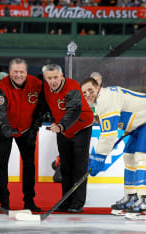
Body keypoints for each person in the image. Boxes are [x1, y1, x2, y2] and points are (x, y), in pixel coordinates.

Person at [82, 77, 146, 220]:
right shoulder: (104, 98)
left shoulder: (105, 100)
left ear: (98, 88)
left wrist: (97, 158)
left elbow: (109, 136)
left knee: (142, 156)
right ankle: (132, 196)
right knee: (129, 156)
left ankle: (145, 200)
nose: (88, 95)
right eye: (84, 93)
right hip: (142, 120)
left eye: (90, 90)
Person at [0, 58, 44, 212]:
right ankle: (4, 202)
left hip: (27, 130)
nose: (18, 75)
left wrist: (35, 127)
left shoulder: (36, 84)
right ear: (10, 72)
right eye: (15, 71)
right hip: (4, 129)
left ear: (26, 72)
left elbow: (41, 107)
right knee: (1, 164)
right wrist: (4, 126)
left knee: (29, 165)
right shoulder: (1, 86)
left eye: (21, 71)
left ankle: (29, 201)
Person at [42, 64, 94, 213]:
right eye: (49, 78)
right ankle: (66, 201)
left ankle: (77, 203)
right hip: (63, 129)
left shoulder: (72, 86)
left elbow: (74, 110)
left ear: (62, 76)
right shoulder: (46, 88)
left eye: (56, 77)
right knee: (65, 167)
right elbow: (46, 105)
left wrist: (61, 126)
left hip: (81, 127)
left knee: (79, 167)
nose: (53, 81)